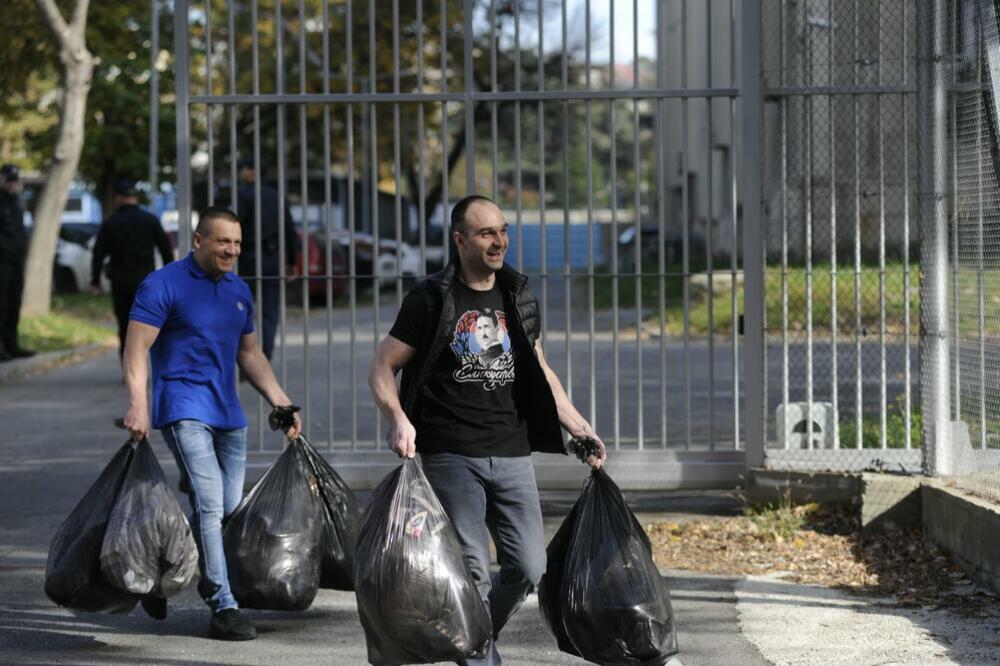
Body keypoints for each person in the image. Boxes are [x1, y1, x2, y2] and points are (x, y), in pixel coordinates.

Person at [368, 194, 606, 665]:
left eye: (503, 231)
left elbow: (541, 372)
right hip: (451, 450)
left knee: (527, 566)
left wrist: (581, 429)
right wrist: (398, 419)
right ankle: (480, 656)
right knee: (473, 567)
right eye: (486, 233)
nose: (499, 242)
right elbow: (381, 367)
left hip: (512, 448)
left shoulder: (517, 295)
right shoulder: (431, 297)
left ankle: (471, 637)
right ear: (460, 240)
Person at [121, 206, 302, 641]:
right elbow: (136, 347)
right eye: (223, 242)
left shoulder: (239, 290)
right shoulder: (163, 284)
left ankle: (163, 565)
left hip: (228, 414)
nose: (232, 250)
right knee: (208, 503)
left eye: (237, 244)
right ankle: (223, 603)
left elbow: (250, 354)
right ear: (198, 240)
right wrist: (139, 405)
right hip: (184, 408)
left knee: (224, 509)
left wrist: (282, 402)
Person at [90, 179, 174, 357]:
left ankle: (129, 367)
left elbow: (98, 253)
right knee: (152, 322)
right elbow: (165, 248)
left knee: (125, 325)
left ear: (118, 198)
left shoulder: (111, 222)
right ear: (135, 198)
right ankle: (155, 363)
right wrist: (171, 276)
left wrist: (95, 281)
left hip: (121, 280)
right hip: (147, 280)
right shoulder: (149, 220)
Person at [235, 157, 300, 360]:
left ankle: (245, 359)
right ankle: (265, 356)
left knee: (242, 309)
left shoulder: (244, 195)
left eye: (243, 168)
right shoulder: (277, 196)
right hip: (273, 259)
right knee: (270, 313)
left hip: (249, 258)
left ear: (251, 171)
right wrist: (291, 261)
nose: (241, 172)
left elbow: (236, 227)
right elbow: (289, 229)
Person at [0, 164, 35, 362]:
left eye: (15, 180)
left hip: (15, 259)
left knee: (14, 302)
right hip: (2, 260)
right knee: (2, 303)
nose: (12, 184)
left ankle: (11, 344)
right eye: (9, 180)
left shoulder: (16, 201)